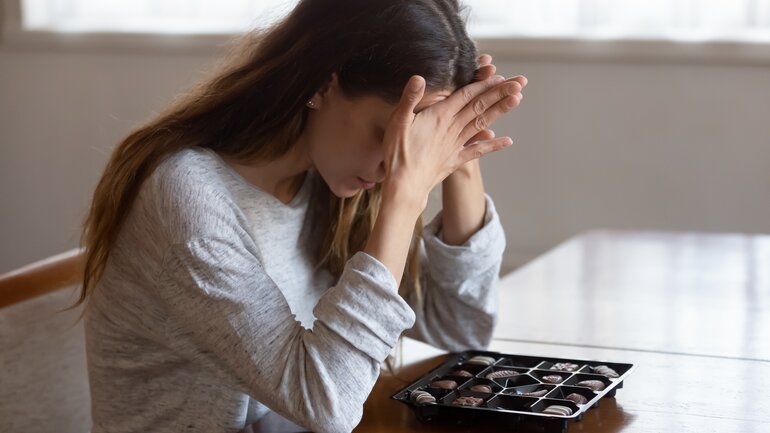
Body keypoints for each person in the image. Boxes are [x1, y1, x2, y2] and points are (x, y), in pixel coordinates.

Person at [77, 0, 526, 432]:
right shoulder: (188, 198)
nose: (397, 163)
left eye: (416, 143)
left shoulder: (328, 181)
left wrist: (460, 152)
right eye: (386, 133)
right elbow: (327, 404)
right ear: (323, 84)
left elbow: (460, 331)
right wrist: (406, 194)